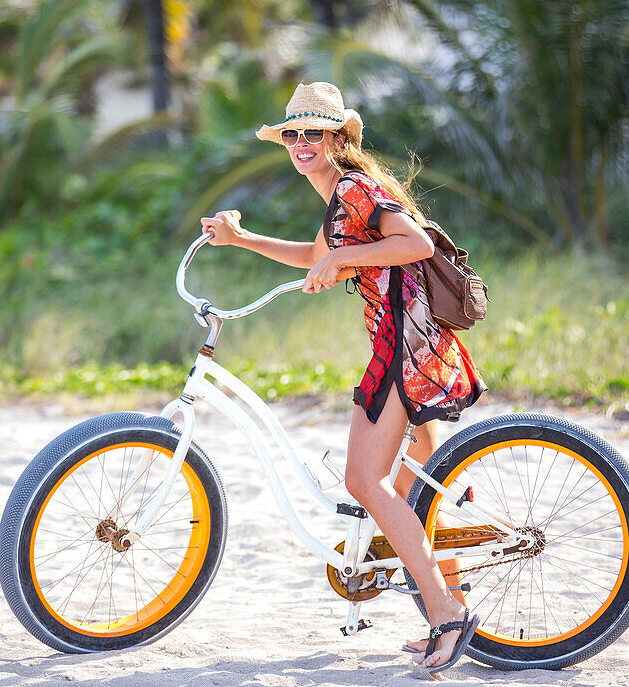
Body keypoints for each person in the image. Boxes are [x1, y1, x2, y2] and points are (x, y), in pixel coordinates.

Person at [200, 82, 486, 674]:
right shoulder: (339, 197)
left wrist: (343, 259)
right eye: (293, 135)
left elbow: (414, 241)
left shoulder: (356, 188)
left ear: (337, 138)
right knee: (415, 491)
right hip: (412, 342)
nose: (301, 143)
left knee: (365, 480)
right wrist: (241, 239)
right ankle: (454, 606)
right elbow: (316, 255)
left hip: (405, 348)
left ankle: (445, 616)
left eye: (313, 133)